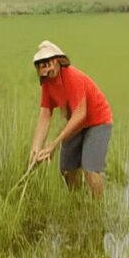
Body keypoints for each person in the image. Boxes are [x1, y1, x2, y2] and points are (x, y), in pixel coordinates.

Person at [28, 41, 113, 198]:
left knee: (90, 168)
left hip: (98, 121)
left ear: (58, 61)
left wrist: (53, 145)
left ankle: (98, 208)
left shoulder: (72, 77)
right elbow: (45, 115)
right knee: (67, 168)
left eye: (47, 64)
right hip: (77, 125)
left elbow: (80, 114)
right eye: (41, 66)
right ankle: (77, 202)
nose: (45, 69)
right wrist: (35, 149)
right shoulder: (47, 85)